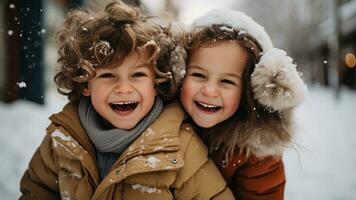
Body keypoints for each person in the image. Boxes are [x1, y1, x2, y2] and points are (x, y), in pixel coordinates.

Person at [19, 2, 234, 199]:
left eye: (137, 75)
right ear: (85, 84)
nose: (123, 88)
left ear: (156, 83)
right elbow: (36, 191)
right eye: (108, 75)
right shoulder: (62, 139)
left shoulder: (181, 148)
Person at [180, 9, 307, 199]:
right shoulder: (164, 124)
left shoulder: (257, 156)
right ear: (179, 73)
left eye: (227, 81)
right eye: (199, 75)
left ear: (248, 91)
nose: (209, 90)